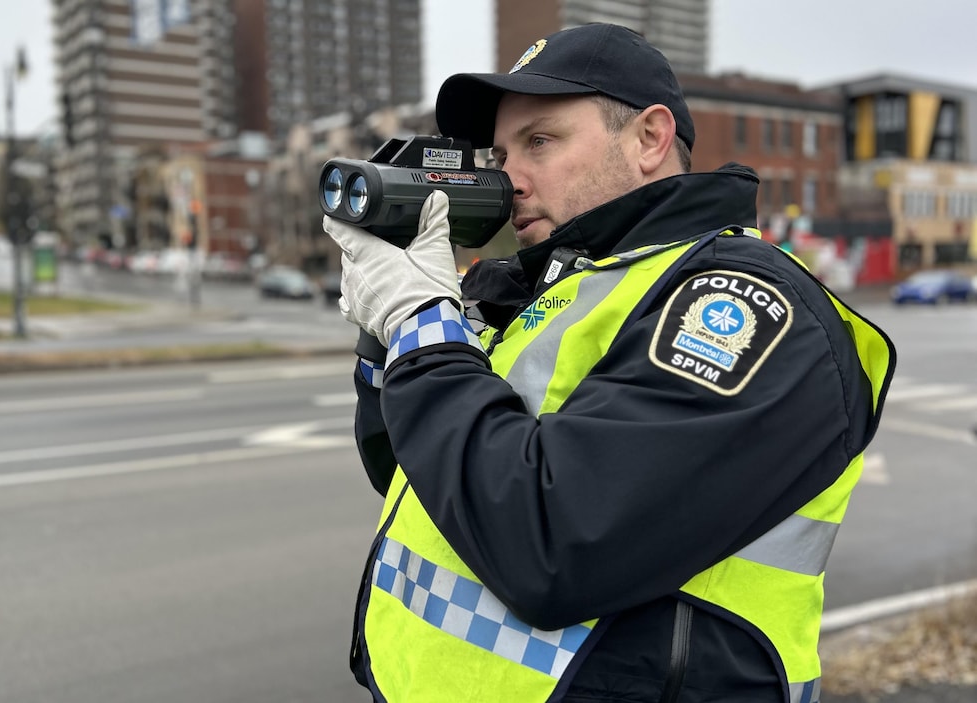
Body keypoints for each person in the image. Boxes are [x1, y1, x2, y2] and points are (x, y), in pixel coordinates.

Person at [323, 22, 896, 703]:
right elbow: (405, 466)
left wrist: (421, 322)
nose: (510, 179)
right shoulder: (536, 287)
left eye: (540, 141)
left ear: (650, 138)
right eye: (499, 152)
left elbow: (554, 546)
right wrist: (384, 333)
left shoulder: (741, 305)